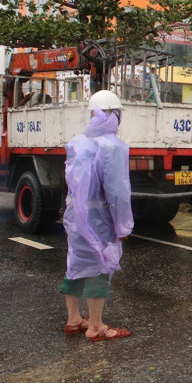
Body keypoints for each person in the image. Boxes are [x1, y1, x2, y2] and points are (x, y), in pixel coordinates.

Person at [60, 90, 135, 341]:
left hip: (75, 215)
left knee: (76, 263)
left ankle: (73, 320)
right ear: (115, 116)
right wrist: (123, 227)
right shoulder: (113, 147)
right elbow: (117, 192)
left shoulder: (78, 142)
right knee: (99, 267)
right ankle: (96, 326)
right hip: (99, 218)